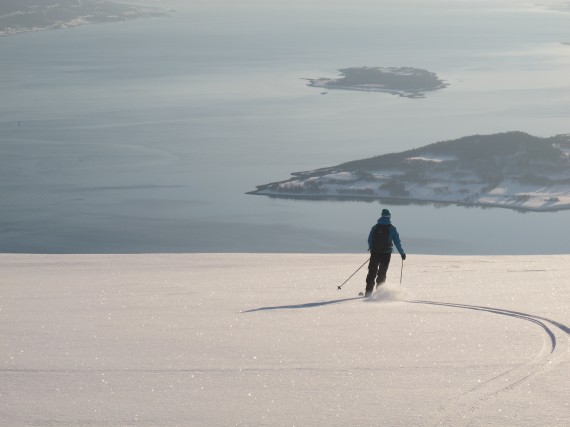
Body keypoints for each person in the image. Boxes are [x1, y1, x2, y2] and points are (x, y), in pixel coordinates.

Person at [363, 209, 406, 297]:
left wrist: (372, 248)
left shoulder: (375, 227)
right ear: (389, 216)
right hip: (386, 254)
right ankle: (380, 294)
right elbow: (397, 242)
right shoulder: (392, 228)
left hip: (375, 252)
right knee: (382, 273)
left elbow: (369, 239)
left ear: (381, 216)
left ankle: (368, 293)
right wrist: (402, 253)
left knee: (372, 272)